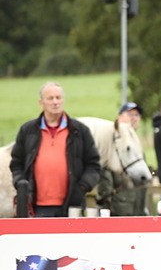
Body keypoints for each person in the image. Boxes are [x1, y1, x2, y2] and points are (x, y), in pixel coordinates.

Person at [8, 82, 101, 217]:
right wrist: (22, 184)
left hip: (72, 207)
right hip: (36, 208)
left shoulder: (80, 131)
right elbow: (16, 164)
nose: (55, 102)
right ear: (41, 103)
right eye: (50, 98)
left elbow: (94, 165)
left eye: (58, 97)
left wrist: (81, 187)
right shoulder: (27, 131)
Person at [96, 101, 148, 216]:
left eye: (137, 115)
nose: (134, 118)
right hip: (118, 214)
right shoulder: (111, 143)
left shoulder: (136, 146)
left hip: (138, 212)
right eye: (129, 114)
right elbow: (105, 185)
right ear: (118, 118)